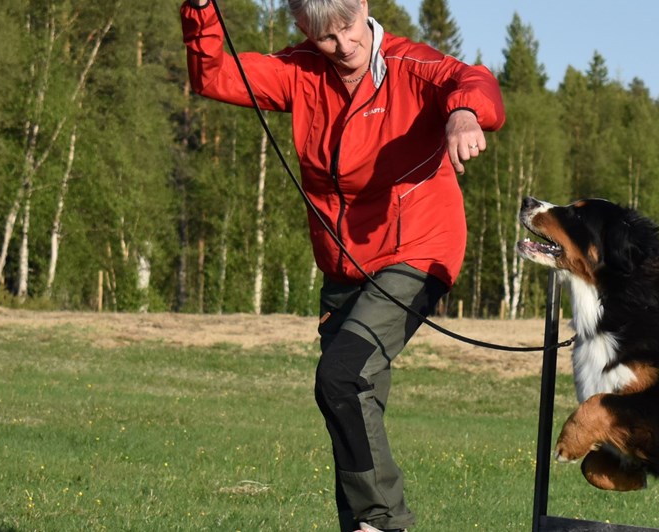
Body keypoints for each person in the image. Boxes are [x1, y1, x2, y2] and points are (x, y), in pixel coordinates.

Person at [179, 1, 505, 531]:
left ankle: (384, 521)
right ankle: (360, 525)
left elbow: (472, 80)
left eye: (348, 28)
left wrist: (464, 113)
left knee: (340, 375)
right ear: (305, 32)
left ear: (365, 9)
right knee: (350, 402)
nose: (344, 46)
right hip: (344, 269)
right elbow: (214, 73)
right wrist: (199, 9)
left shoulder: (411, 68)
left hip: (418, 253)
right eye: (325, 37)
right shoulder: (301, 72)